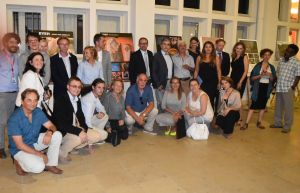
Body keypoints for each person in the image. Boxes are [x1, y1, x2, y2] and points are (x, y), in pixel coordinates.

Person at [8, 89, 63, 175]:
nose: (32, 103)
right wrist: (40, 154)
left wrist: (49, 133)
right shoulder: (14, 119)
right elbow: (20, 145)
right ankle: (19, 162)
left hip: (33, 142)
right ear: (22, 101)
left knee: (57, 135)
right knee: (39, 167)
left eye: (35, 100)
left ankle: (50, 165)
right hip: (19, 149)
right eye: (29, 100)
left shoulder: (37, 112)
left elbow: (52, 126)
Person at [52, 77, 102, 163]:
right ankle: (61, 152)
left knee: (96, 136)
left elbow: (81, 117)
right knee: (78, 138)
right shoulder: (61, 100)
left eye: (79, 87)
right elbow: (61, 124)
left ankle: (71, 147)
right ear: (68, 87)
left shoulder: (77, 99)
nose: (77, 89)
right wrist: (78, 131)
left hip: (73, 127)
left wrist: (84, 129)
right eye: (74, 86)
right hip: (62, 131)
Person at [241, 49, 276, 130]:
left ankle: (259, 122)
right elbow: (252, 78)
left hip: (266, 88)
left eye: (268, 55)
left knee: (263, 106)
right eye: (265, 55)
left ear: (270, 56)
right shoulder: (258, 66)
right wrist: (260, 75)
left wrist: (269, 75)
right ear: (262, 56)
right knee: (253, 105)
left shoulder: (272, 67)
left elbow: (273, 80)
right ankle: (246, 123)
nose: (267, 56)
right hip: (258, 87)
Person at [270, 44, 300, 133]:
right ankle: (278, 123)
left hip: (288, 88)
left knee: (288, 108)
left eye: (289, 51)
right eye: (286, 50)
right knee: (278, 106)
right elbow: (278, 73)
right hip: (279, 86)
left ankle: (287, 126)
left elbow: (298, 76)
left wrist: (293, 87)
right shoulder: (281, 60)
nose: (286, 52)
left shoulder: (297, 63)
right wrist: (274, 83)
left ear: (293, 53)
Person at [0, 32, 21, 159]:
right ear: (5, 43)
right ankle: (1, 147)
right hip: (2, 94)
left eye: (15, 42)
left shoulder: (17, 57)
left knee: (12, 122)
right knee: (1, 122)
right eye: (11, 42)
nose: (14, 45)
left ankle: (12, 146)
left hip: (15, 93)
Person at [194, 41, 221, 109]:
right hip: (202, 82)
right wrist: (194, 82)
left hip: (212, 82)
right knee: (201, 98)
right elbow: (196, 70)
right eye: (206, 47)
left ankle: (210, 116)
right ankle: (202, 113)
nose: (208, 48)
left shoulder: (216, 58)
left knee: (210, 99)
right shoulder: (199, 58)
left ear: (212, 48)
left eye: (210, 47)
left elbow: (218, 70)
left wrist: (219, 82)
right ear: (204, 48)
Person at [152, 38, 174, 110]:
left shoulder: (170, 56)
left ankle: (167, 119)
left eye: (168, 45)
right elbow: (153, 72)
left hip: (170, 83)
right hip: (161, 84)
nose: (166, 46)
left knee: (169, 103)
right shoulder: (156, 56)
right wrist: (158, 85)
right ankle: (159, 119)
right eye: (164, 44)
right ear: (161, 45)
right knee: (161, 104)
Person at [230, 42, 249, 125]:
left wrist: (240, 82)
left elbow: (245, 71)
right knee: (234, 99)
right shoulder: (234, 56)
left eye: (241, 48)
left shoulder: (244, 57)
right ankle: (235, 117)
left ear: (243, 49)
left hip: (240, 80)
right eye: (237, 48)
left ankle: (240, 118)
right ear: (235, 48)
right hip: (232, 79)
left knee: (238, 99)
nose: (239, 50)